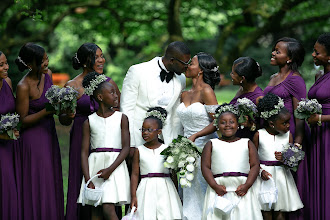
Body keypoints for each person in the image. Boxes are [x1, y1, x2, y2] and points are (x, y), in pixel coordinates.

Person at [59, 43, 120, 220]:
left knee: (104, 179)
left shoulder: (109, 83)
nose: (102, 60)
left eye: (102, 56)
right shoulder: (72, 86)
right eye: (97, 57)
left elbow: (119, 110)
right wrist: (68, 115)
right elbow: (63, 119)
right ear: (86, 61)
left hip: (105, 137)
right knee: (81, 177)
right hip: (80, 135)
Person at [15, 43, 64, 219]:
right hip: (33, 138)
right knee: (40, 180)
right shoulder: (23, 86)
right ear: (30, 64)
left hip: (49, 132)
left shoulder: (48, 75)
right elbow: (22, 121)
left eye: (46, 58)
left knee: (51, 178)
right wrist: (47, 111)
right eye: (42, 61)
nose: (46, 63)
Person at [263, 37, 309, 219]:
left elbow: (300, 116)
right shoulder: (274, 77)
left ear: (289, 59)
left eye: (278, 51)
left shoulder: (296, 80)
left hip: (286, 137)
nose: (273, 53)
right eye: (274, 49)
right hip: (269, 136)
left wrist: (295, 147)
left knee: (284, 189)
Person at [120, 41, 190, 154]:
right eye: (184, 63)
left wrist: (176, 142)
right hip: (139, 138)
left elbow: (176, 115)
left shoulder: (181, 78)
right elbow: (126, 109)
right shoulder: (138, 71)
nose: (187, 66)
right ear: (172, 60)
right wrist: (130, 143)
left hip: (167, 140)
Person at [77, 72, 130, 220]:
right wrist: (88, 179)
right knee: (96, 210)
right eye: (112, 92)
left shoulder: (122, 118)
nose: (116, 95)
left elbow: (126, 148)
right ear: (100, 97)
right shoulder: (89, 121)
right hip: (96, 166)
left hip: (115, 165)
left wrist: (110, 169)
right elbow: (83, 152)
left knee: (108, 206)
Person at [176, 52, 220, 219]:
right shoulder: (184, 94)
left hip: (204, 146)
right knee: (188, 188)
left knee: (201, 188)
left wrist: (196, 136)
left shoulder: (206, 91)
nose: (187, 65)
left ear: (201, 70)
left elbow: (217, 122)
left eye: (191, 63)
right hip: (185, 148)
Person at [201, 104, 262, 220]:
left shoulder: (247, 142)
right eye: (223, 122)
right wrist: (214, 185)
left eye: (231, 122)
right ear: (217, 126)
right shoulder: (211, 144)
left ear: (238, 125)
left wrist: (247, 185)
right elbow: (205, 167)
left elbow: (255, 165)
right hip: (219, 189)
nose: (227, 125)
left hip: (242, 187)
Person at [189, 57, 264, 142]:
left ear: (242, 79)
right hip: (233, 139)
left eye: (233, 73)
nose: (231, 75)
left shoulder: (259, 98)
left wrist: (250, 125)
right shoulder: (241, 90)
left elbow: (264, 128)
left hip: (247, 142)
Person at [253, 93, 303, 220]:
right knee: (265, 210)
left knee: (280, 211)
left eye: (289, 122)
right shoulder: (259, 135)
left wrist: (285, 158)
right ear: (271, 123)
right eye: (284, 123)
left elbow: (292, 162)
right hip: (264, 176)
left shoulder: (288, 136)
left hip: (282, 177)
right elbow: (252, 159)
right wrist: (260, 172)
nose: (288, 126)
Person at [130, 107, 183, 219]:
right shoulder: (138, 150)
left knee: (166, 214)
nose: (145, 133)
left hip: (165, 187)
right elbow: (135, 174)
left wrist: (176, 193)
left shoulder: (167, 149)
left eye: (149, 130)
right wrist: (133, 196)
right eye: (143, 129)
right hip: (146, 188)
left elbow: (172, 173)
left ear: (159, 132)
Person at [307, 33, 330, 220]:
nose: (313, 55)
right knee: (319, 180)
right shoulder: (320, 75)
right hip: (317, 134)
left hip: (328, 134)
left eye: (317, 52)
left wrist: (321, 118)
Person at [0, 51, 20, 220]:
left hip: (9, 146)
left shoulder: (7, 82)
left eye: (6, 63)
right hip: (2, 144)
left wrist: (13, 128)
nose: (6, 67)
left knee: (10, 188)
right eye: (1, 65)